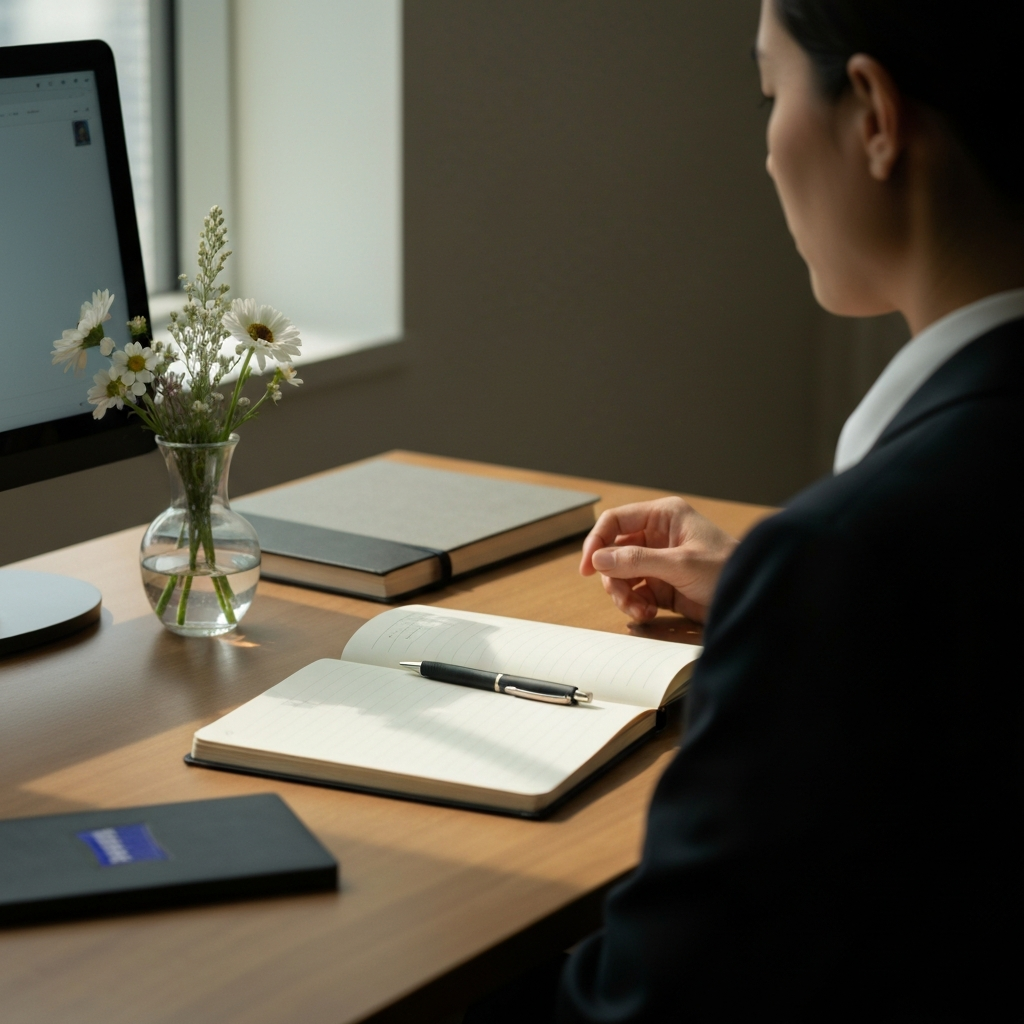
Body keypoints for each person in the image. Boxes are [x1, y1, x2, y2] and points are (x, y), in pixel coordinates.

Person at [550, 1, 1022, 1020]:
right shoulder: (874, 555)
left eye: (770, 96)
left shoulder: (852, 556)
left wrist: (811, 594)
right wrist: (786, 606)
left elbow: (649, 1002)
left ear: (873, 115)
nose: (765, 155)